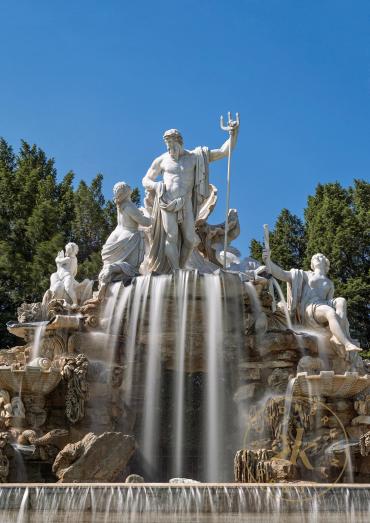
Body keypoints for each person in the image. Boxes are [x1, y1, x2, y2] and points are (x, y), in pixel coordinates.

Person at [142, 120, 239, 272]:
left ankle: (180, 267)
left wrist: (233, 133)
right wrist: (156, 185)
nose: (170, 150)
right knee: (171, 236)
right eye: (168, 147)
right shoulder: (161, 160)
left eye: (172, 146)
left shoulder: (195, 157)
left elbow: (223, 151)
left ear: (180, 143)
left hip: (185, 202)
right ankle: (176, 270)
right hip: (166, 202)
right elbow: (146, 180)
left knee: (190, 239)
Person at [262, 249, 361, 353]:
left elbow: (329, 300)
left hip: (323, 305)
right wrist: (268, 261)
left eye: (320, 257)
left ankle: (339, 335)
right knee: (330, 312)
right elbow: (282, 274)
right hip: (310, 306)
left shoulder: (330, 283)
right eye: (315, 258)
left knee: (341, 300)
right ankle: (346, 343)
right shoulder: (305, 275)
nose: (317, 258)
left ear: (326, 263)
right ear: (312, 264)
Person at [98, 181, 151, 287]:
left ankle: (109, 277)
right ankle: (113, 269)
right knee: (131, 267)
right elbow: (145, 222)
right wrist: (149, 212)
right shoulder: (129, 206)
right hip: (128, 235)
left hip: (115, 236)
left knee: (109, 263)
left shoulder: (120, 205)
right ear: (128, 191)